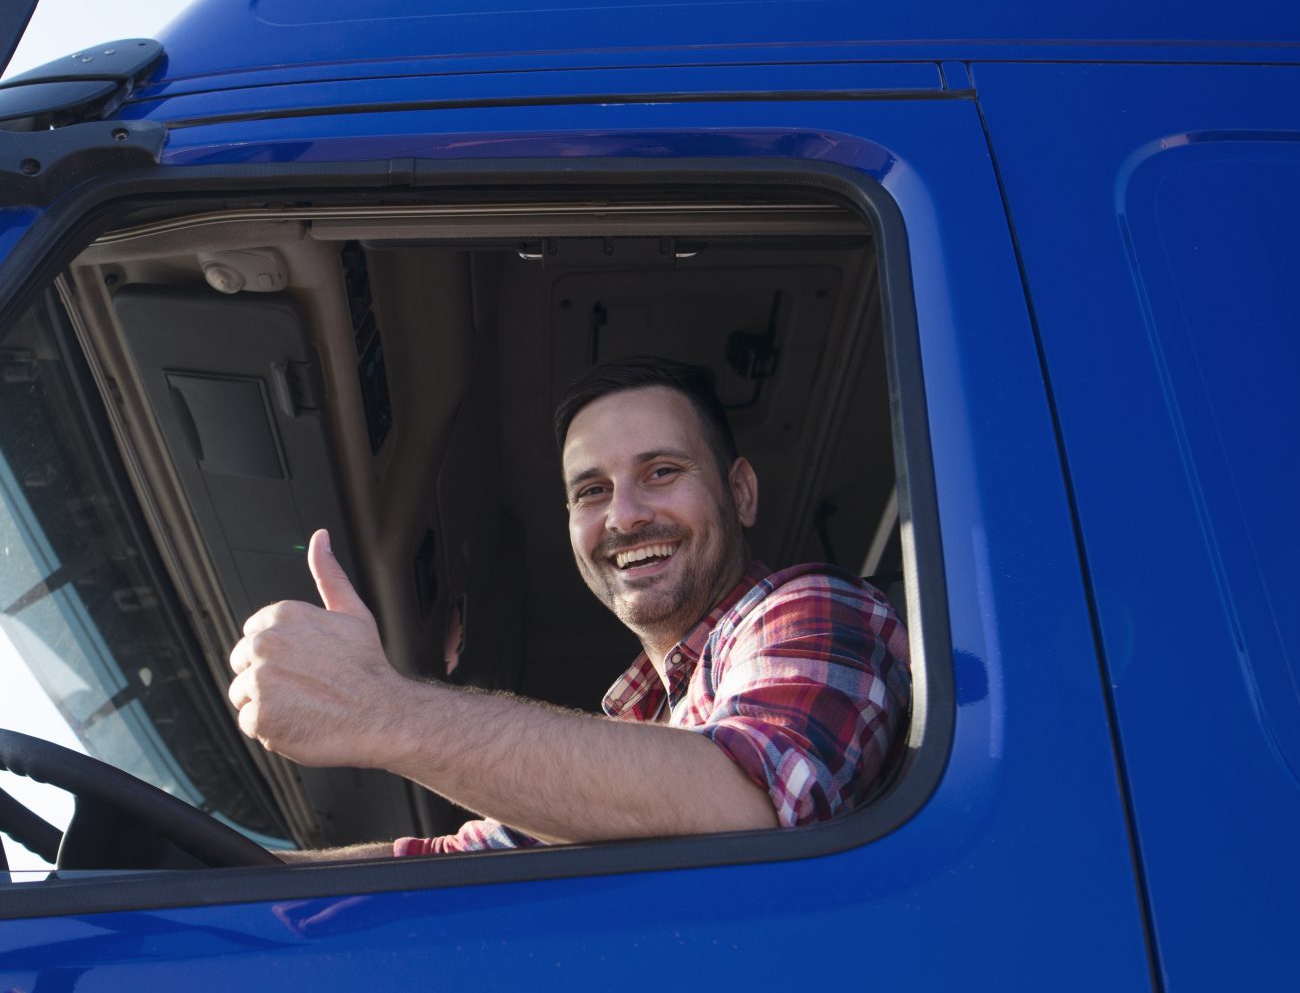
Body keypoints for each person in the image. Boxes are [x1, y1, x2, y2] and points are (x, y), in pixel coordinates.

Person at [229, 355, 912, 860]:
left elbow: (747, 803)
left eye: (661, 472)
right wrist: (233, 877)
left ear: (741, 493)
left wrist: (377, 707)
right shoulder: (638, 732)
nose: (624, 515)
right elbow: (442, 863)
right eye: (590, 491)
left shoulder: (814, 607)